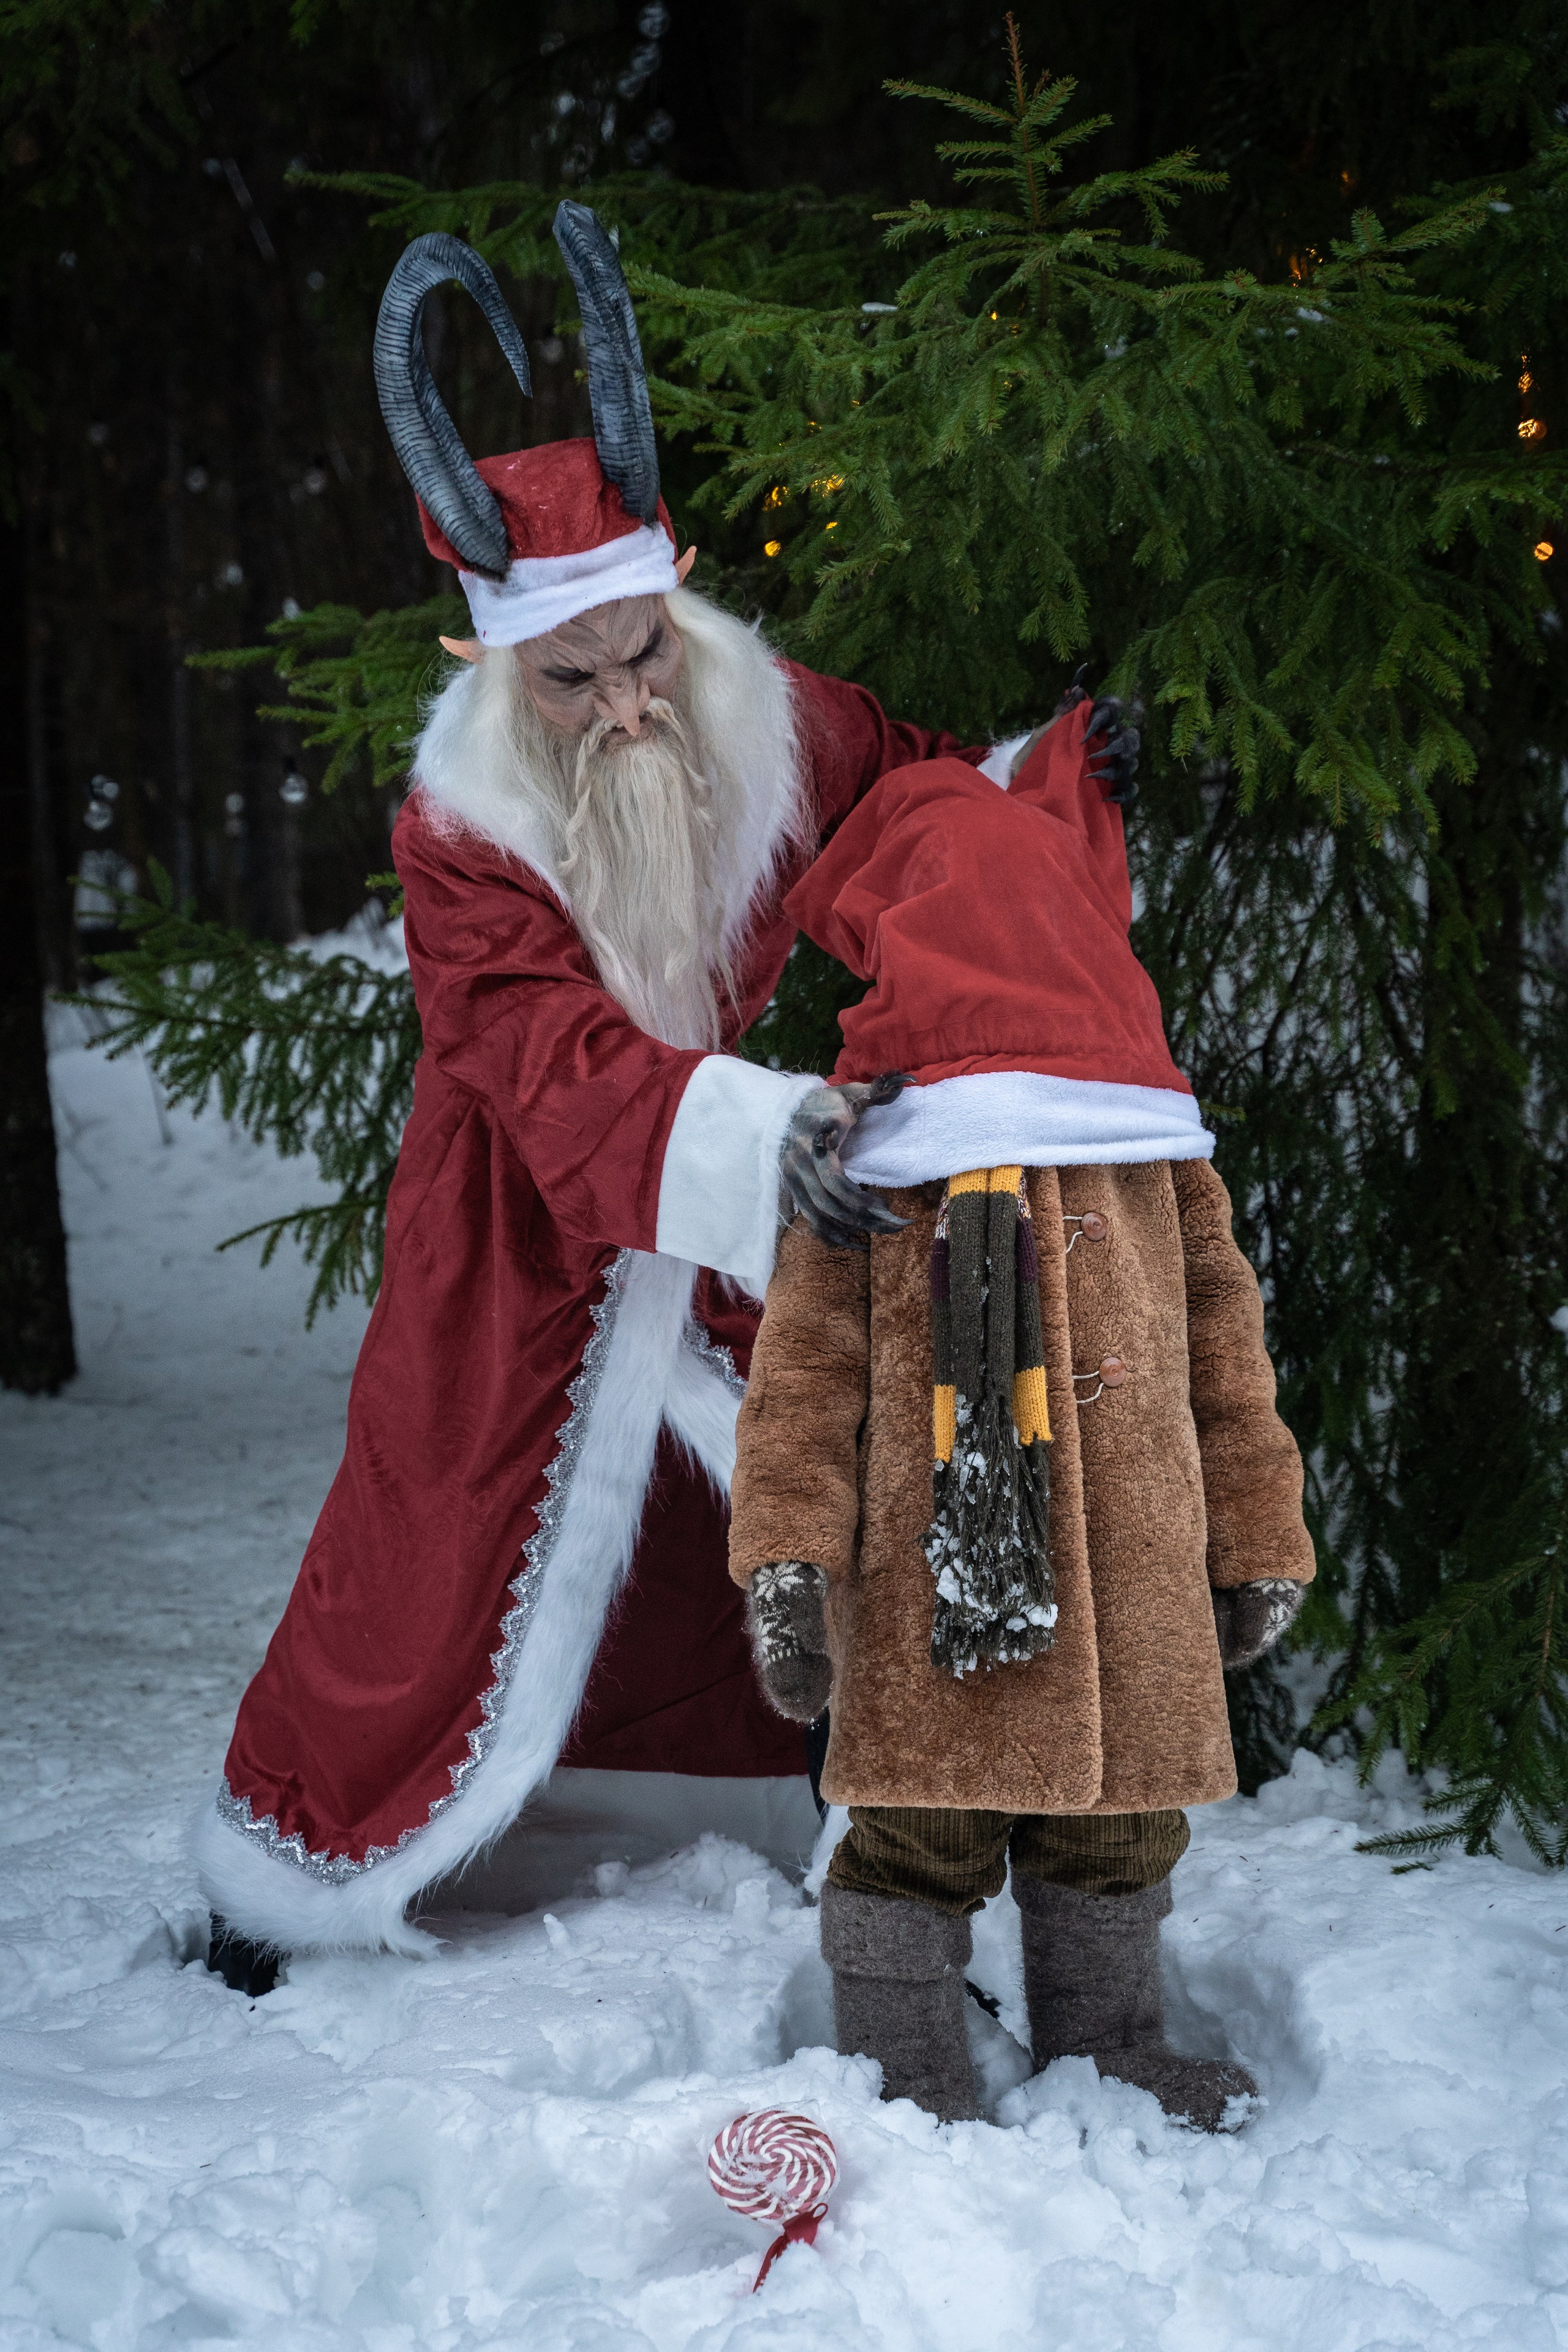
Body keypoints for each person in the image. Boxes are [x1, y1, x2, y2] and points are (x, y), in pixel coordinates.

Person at [198, 208, 1140, 1991]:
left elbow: (922, 806)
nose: (632, 709)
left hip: (720, 1194)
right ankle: (298, 1867)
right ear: (496, 664)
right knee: (434, 1526)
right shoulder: (457, 827)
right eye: (577, 678)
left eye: (648, 653)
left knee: (782, 1494)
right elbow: (545, 1062)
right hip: (517, 1222)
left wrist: (1057, 777)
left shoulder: (765, 713)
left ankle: (803, 1802)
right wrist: (758, 1143)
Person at [727, 688, 1314, 2130]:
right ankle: (899, 2071)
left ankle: (1110, 2041)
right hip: (935, 1608)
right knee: (910, 1844)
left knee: (1115, 1837)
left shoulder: (1155, 1163)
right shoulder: (874, 1177)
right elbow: (797, 1390)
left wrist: (1254, 1539)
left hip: (1134, 1590)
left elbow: (1227, 1369)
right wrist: (789, 1563)